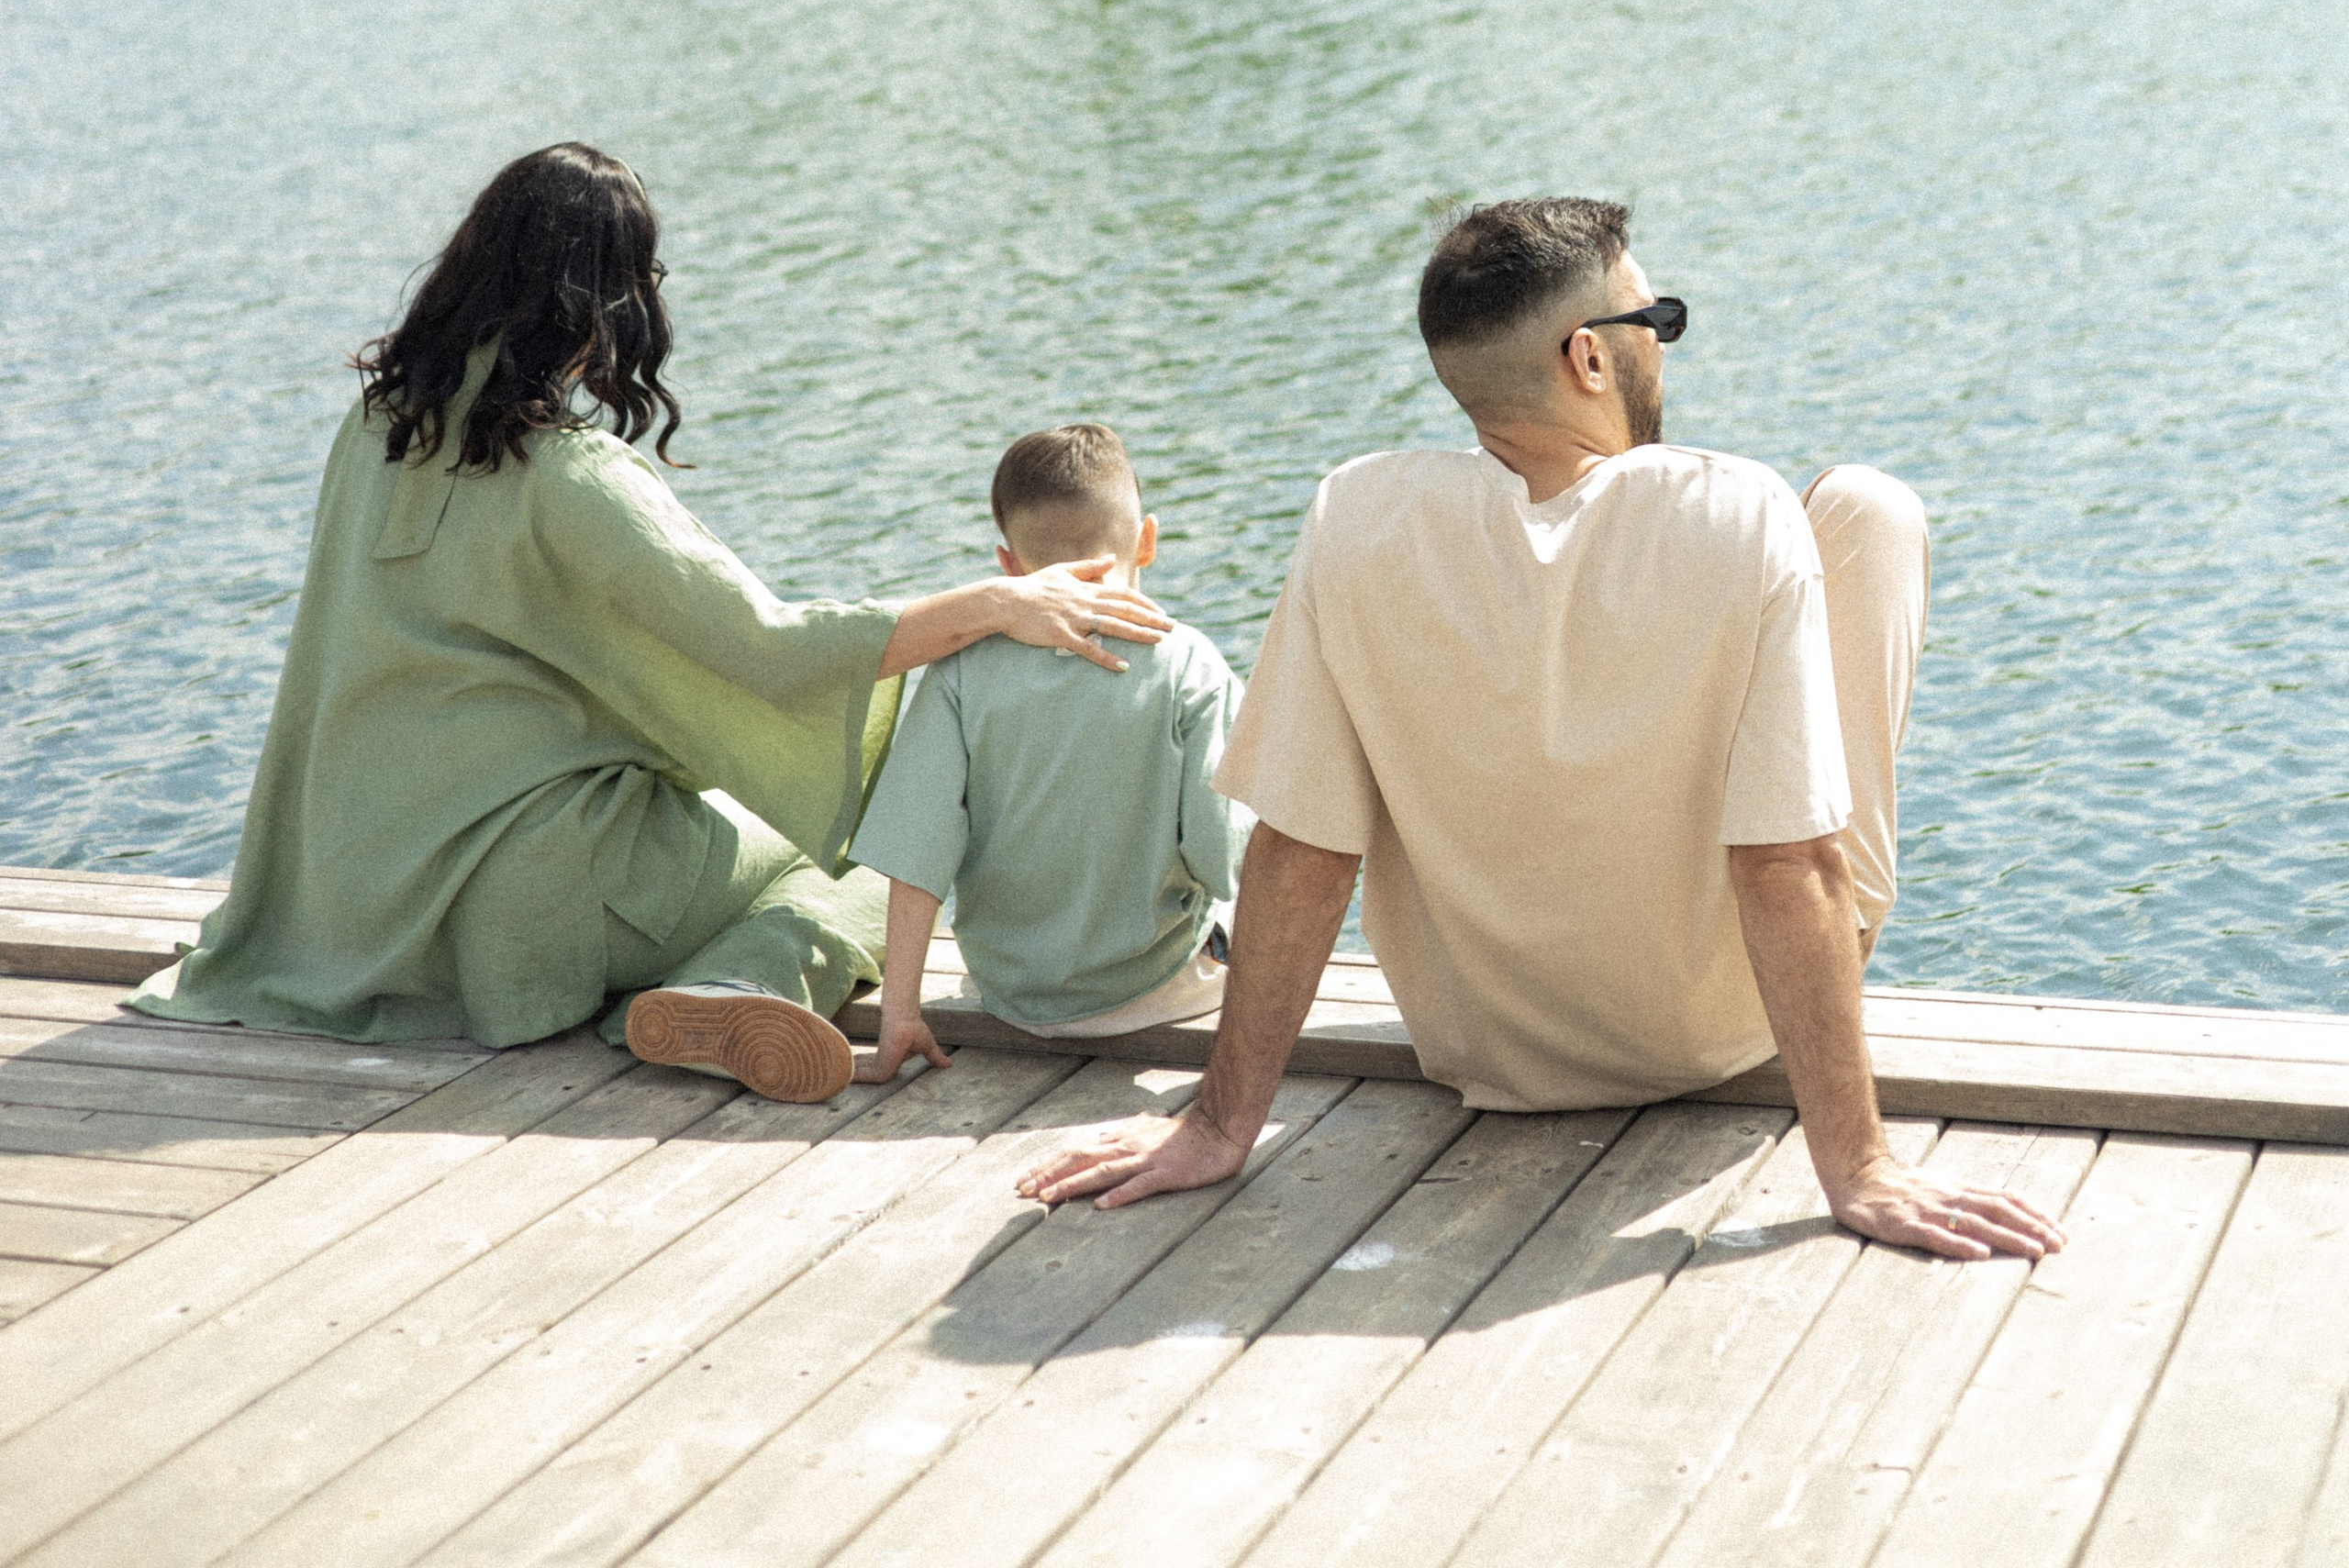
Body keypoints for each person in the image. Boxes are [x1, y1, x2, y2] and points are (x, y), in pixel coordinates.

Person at [1019, 196, 2065, 1262]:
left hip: (1482, 1046)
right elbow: (1787, 859)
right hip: (1718, 1032)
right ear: (1590, 359)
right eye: (1653, 323)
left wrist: (1217, 1122)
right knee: (1866, 511)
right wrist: (1860, 1167)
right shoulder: (1741, 511)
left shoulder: (1357, 513)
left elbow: (1299, 848)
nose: (1662, 350)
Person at [129, 144, 1167, 1105]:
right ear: (603, 306)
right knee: (847, 844)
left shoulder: (374, 430)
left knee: (757, 805)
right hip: (515, 913)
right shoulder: (570, 479)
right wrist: (997, 602)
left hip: (346, 906)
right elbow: (770, 650)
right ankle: (729, 987)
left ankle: (703, 983)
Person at [851, 421, 1244, 1079]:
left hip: (1010, 995)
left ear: (1008, 565)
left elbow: (915, 856)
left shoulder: (959, 672)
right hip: (1159, 990)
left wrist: (900, 1014)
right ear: (1146, 541)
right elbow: (1223, 855)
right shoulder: (1187, 661)